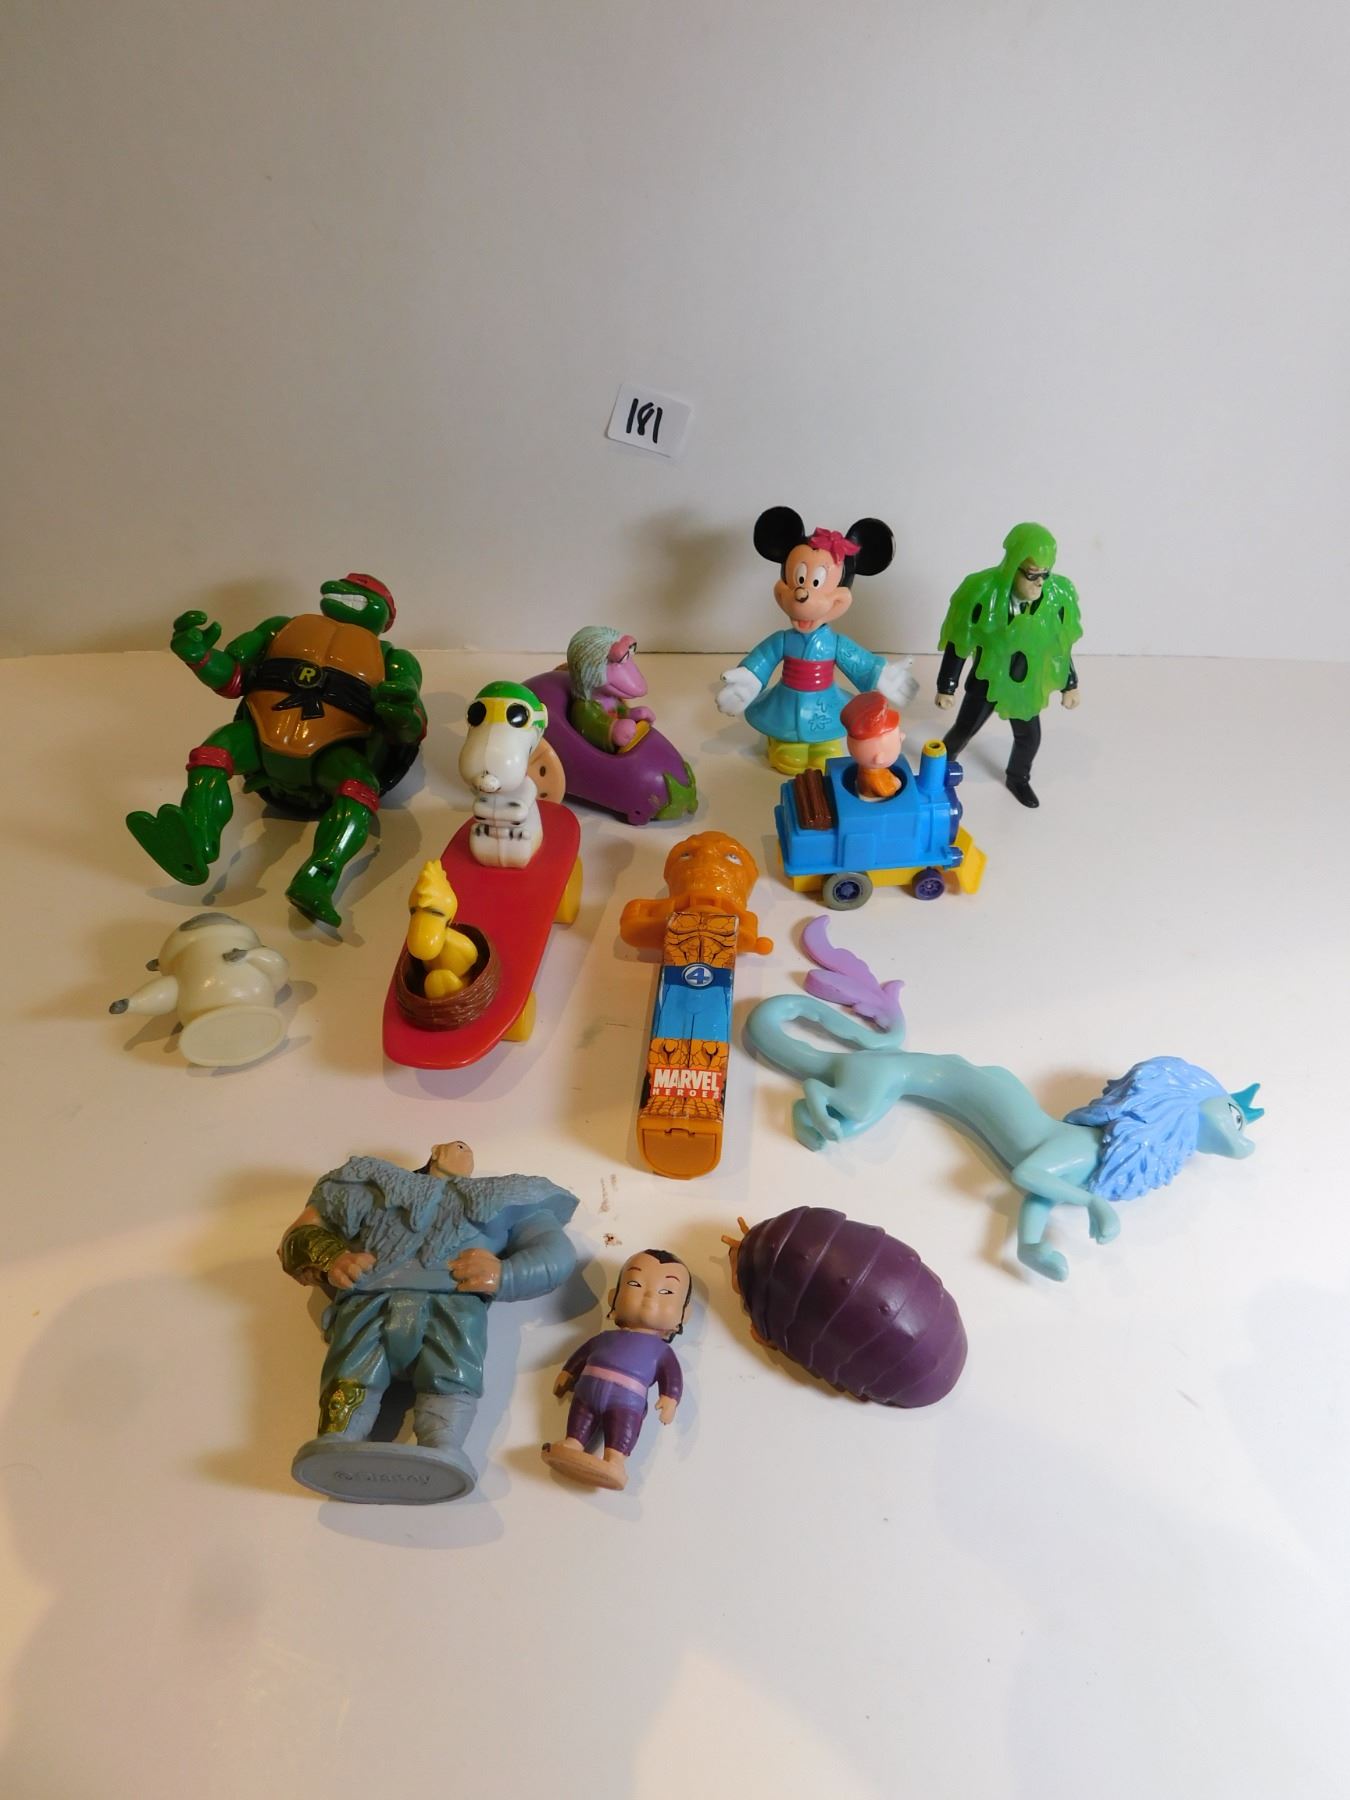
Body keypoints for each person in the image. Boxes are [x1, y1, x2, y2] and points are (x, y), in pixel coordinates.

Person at [279, 1140, 577, 1503]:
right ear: (435, 1152)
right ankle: (337, 1436)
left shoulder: (506, 1199)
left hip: (452, 1305)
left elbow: (555, 1252)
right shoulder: (366, 1185)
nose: (465, 1152)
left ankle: (442, 1445)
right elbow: (299, 1236)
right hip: (370, 1297)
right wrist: (333, 1257)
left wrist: (505, 1273)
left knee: (452, 1375)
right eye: (457, 1145)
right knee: (352, 1371)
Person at [935, 523, 1081, 808]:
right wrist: (947, 686)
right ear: (1013, 566)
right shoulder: (984, 594)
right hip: (988, 680)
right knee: (963, 730)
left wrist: (1070, 683)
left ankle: (1018, 777)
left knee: (1030, 738)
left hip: (1024, 687)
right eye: (1032, 574)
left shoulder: (1052, 601)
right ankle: (937, 770)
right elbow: (960, 641)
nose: (1039, 583)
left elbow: (1058, 647)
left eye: (1045, 574)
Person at [542, 1250, 691, 1491]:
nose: (649, 1295)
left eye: (666, 1292)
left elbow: (671, 1376)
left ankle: (614, 1460)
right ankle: (573, 1443)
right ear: (613, 1297)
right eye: (635, 1284)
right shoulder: (604, 1338)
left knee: (622, 1429)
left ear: (684, 1315)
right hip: (586, 1392)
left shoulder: (661, 1352)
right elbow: (581, 1355)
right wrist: (568, 1373)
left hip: (627, 1402)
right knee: (580, 1417)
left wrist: (670, 1398)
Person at [841, 690, 906, 801]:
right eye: (899, 739)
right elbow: (886, 791)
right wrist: (897, 783)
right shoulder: (874, 778)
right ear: (879, 758)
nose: (903, 736)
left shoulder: (868, 768)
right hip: (877, 802)